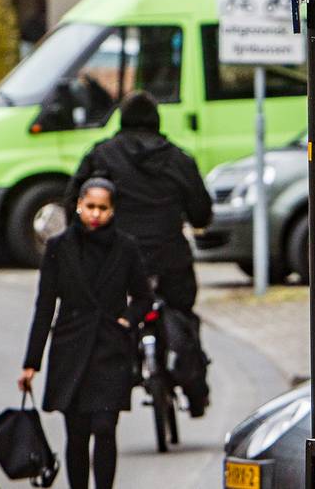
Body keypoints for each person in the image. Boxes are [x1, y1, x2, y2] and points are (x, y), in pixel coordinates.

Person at [64, 91, 214, 416]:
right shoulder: (179, 159)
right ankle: (195, 388)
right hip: (170, 257)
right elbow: (201, 212)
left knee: (111, 320)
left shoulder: (101, 156)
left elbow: (74, 203)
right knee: (182, 313)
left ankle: (113, 385)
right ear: (157, 121)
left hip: (117, 261)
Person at [19, 178, 152, 489]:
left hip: (110, 349)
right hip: (71, 349)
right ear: (78, 205)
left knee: (105, 428)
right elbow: (44, 306)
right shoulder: (58, 247)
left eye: (102, 208)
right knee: (77, 433)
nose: (95, 214)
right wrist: (31, 363)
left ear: (112, 210)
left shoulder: (126, 247)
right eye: (90, 206)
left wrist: (127, 320)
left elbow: (143, 296)